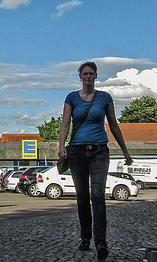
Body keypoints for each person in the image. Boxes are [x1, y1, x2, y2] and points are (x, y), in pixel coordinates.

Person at [58, 61, 132, 260]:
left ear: (96, 76)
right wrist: (61, 146)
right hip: (77, 152)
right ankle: (85, 238)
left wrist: (125, 151)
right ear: (80, 76)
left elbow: (114, 126)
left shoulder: (105, 98)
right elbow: (65, 124)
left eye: (91, 73)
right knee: (82, 197)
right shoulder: (71, 97)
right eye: (85, 74)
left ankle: (101, 242)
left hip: (99, 151)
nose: (88, 76)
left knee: (98, 196)